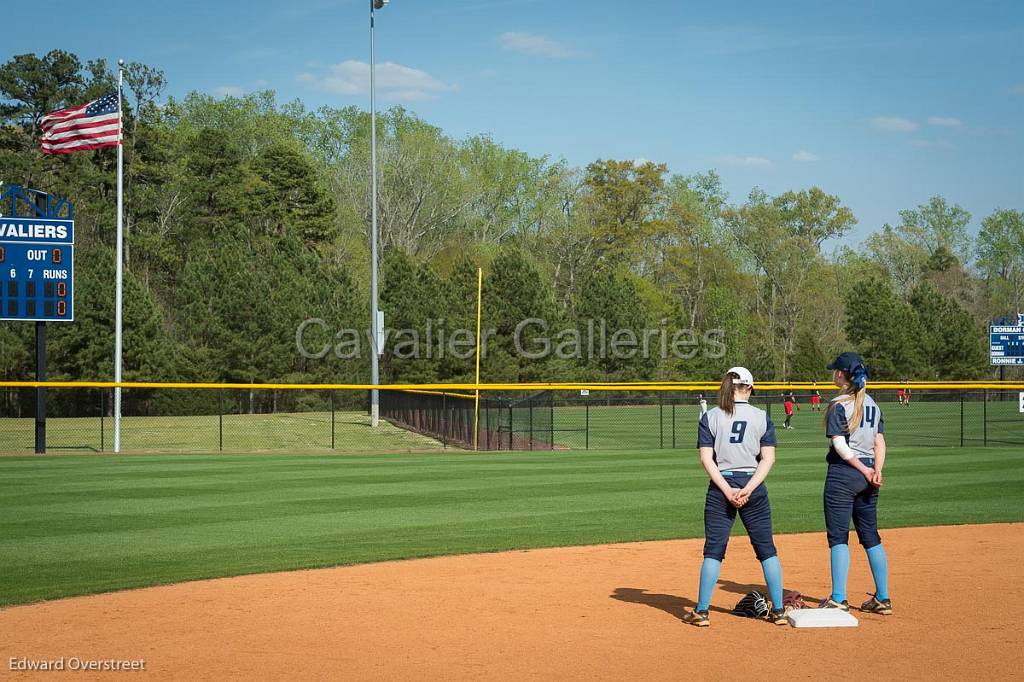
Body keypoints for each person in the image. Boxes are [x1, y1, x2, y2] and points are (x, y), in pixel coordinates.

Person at [683, 367, 787, 627]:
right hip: (753, 485)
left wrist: (727, 490)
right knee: (767, 550)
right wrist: (749, 488)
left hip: (722, 487)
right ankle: (779, 611)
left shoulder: (711, 417)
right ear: (750, 388)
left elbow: (706, 459)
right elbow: (769, 458)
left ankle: (702, 612)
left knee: (714, 551)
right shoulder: (762, 417)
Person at [819, 352, 892, 615]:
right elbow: (879, 442)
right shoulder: (873, 404)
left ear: (841, 374)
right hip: (870, 475)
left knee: (838, 537)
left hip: (844, 474)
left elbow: (840, 444)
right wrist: (876, 471)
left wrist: (862, 469)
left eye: (835, 371)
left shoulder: (839, 403)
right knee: (871, 536)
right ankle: (883, 597)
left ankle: (839, 598)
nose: (833, 374)